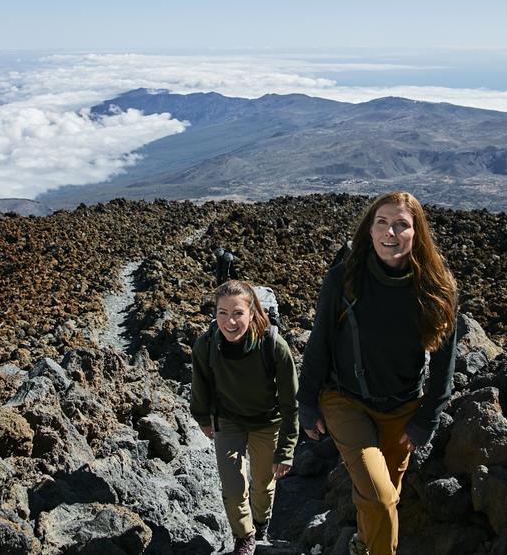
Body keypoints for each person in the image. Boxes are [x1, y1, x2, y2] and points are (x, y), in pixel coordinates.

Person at [297, 191, 458, 555]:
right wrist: (307, 402)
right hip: (345, 401)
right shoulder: (344, 280)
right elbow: (319, 342)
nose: (391, 232)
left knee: (383, 496)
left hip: (402, 411)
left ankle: (363, 544)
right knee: (382, 496)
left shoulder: (437, 288)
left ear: (418, 233)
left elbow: (445, 364)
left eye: (402, 225)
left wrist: (426, 420)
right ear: (369, 230)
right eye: (382, 222)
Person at [191, 279, 299, 555]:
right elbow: (201, 385)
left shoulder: (274, 346)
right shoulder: (206, 345)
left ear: (252, 313)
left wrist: (286, 449)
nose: (229, 322)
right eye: (222, 313)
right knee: (233, 485)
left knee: (262, 485)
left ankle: (261, 524)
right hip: (228, 421)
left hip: (267, 422)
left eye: (238, 313)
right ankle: (244, 536)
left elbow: (291, 403)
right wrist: (203, 419)